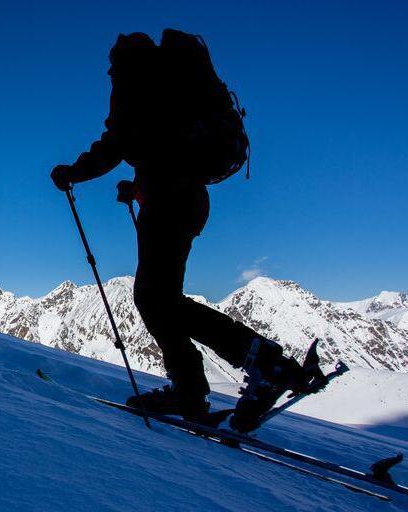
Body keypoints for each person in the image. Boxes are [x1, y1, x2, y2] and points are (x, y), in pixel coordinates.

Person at [50, 29, 311, 432]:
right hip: (183, 198)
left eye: (112, 65)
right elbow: (160, 149)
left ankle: (258, 365)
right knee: (160, 298)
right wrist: (138, 185)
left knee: (156, 298)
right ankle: (199, 385)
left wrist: (73, 172)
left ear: (123, 61)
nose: (109, 72)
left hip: (169, 200)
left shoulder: (136, 81)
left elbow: (116, 142)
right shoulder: (174, 85)